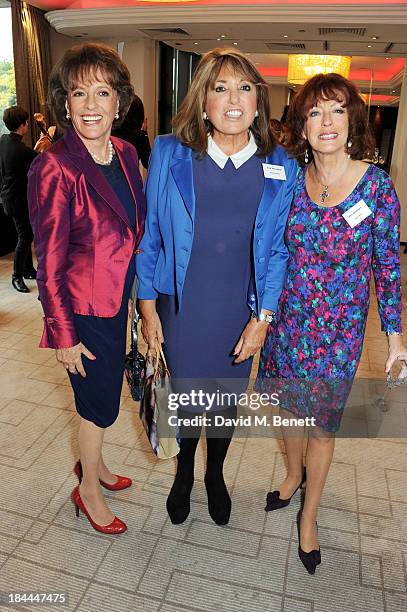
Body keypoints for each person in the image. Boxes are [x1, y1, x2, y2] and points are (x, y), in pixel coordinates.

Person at [136, 48, 297, 526]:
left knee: (225, 401)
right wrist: (146, 308)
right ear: (203, 99)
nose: (233, 99)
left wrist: (263, 319)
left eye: (244, 88)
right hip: (181, 306)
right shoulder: (170, 152)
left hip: (238, 310)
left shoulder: (280, 165)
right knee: (184, 397)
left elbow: (278, 254)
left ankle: (215, 474)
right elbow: (150, 236)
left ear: (258, 100)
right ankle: (185, 471)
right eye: (220, 87)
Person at [256, 73, 407, 574]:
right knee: (288, 410)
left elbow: (387, 266)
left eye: (337, 110)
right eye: (315, 112)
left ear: (352, 120)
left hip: (338, 336)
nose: (327, 122)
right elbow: (270, 250)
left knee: (320, 426)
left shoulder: (377, 187)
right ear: (301, 123)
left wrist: (395, 336)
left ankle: (310, 515)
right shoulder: (289, 182)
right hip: (287, 324)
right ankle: (293, 474)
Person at [28, 43, 146, 535]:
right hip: (83, 310)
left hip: (118, 301)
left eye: (103, 92)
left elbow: (134, 227)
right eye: (80, 94)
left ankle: (93, 467)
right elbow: (49, 260)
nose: (92, 105)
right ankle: (88, 490)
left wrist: (142, 302)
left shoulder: (125, 152)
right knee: (99, 404)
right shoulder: (54, 166)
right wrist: (63, 332)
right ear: (66, 102)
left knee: (103, 398)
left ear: (119, 101)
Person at [0, 106, 37, 292]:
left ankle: (29, 270)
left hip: (8, 196)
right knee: (25, 236)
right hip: (17, 200)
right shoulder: (21, 150)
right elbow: (41, 161)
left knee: (26, 233)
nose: (28, 125)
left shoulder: (4, 140)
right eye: (26, 122)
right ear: (23, 125)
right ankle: (16, 276)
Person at [112, 94, 151, 169]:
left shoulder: (109, 132)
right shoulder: (139, 136)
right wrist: (145, 134)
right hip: (130, 178)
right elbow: (149, 164)